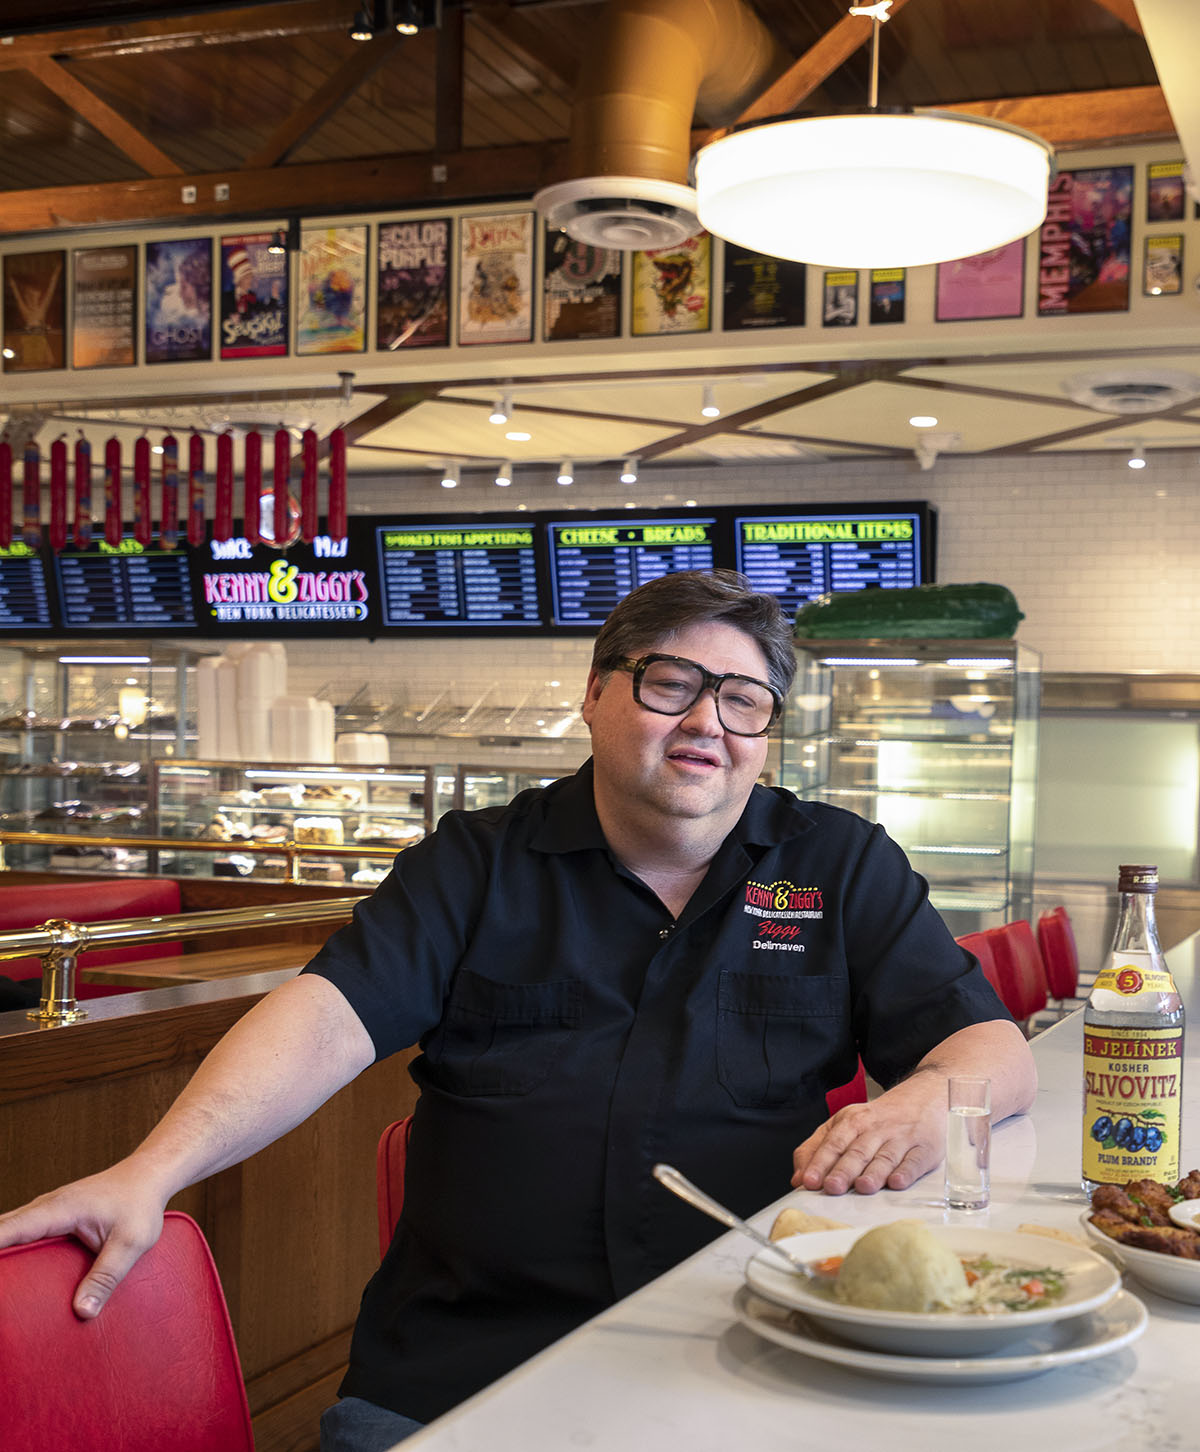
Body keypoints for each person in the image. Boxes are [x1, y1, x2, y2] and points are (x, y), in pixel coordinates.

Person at [0, 570, 1035, 1451]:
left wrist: (925, 1101)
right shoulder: (474, 864)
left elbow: (993, 1049)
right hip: (456, 1377)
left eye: (743, 701)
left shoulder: (840, 866)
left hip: (743, 1352)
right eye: (671, 684)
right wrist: (154, 1169)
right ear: (594, 694)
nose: (706, 725)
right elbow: (325, 1015)